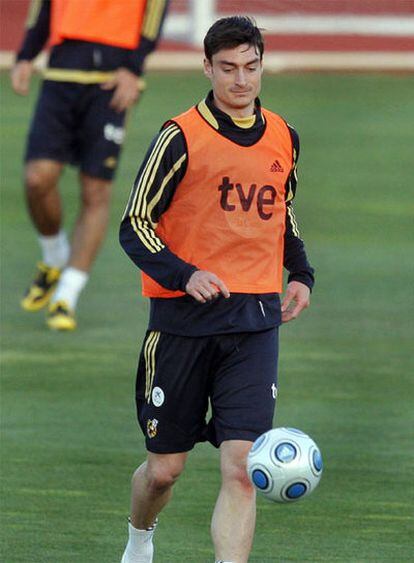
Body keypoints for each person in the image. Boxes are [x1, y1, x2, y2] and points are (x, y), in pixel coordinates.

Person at [119, 16, 315, 563]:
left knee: (243, 469)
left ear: (260, 65)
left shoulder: (283, 136)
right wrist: (185, 275)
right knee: (164, 471)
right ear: (207, 67)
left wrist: (300, 273)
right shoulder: (178, 136)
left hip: (255, 322)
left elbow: (283, 213)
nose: (241, 81)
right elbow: (134, 222)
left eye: (251, 67)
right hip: (183, 323)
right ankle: (139, 542)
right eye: (227, 69)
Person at [11, 0, 170, 330]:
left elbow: (156, 8)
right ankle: (54, 256)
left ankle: (65, 297)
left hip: (113, 74)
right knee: (37, 178)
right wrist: (27, 54)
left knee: (95, 189)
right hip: (62, 68)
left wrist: (134, 66)